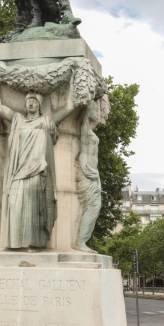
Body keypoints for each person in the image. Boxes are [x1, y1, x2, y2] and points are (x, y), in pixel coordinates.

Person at [0, 77, 75, 249]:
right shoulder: (17, 120)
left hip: (38, 173)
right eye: (28, 101)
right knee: (15, 206)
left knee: (33, 212)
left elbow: (69, 107)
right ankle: (14, 245)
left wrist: (73, 81)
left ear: (39, 105)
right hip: (18, 172)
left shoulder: (47, 121)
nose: (31, 104)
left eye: (34, 101)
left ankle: (34, 245)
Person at [75, 100, 101, 252]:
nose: (97, 112)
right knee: (93, 206)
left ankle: (81, 241)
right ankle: (80, 242)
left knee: (94, 206)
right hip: (88, 173)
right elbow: (83, 121)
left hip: (93, 174)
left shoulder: (91, 132)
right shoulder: (85, 130)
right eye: (94, 108)